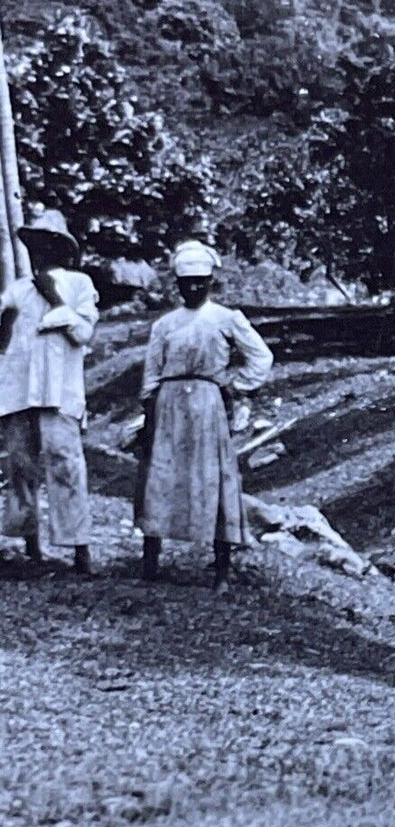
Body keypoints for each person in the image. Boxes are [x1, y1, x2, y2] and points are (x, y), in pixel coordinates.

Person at [136, 240, 273, 593]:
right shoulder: (165, 324)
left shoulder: (226, 318)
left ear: (211, 281)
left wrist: (236, 384)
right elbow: (152, 371)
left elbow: (261, 357)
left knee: (214, 477)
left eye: (201, 281)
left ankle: (221, 571)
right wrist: (149, 404)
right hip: (169, 405)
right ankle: (150, 562)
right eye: (187, 282)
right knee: (161, 475)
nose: (194, 287)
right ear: (177, 284)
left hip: (208, 402)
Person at [0, 209, 99, 574]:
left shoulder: (79, 284)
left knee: (67, 466)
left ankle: (79, 551)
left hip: (59, 391)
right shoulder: (17, 289)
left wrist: (56, 300)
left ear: (63, 249)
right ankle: (30, 547)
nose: (42, 253)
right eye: (37, 245)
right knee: (20, 467)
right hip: (18, 391)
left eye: (49, 245)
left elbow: (84, 333)